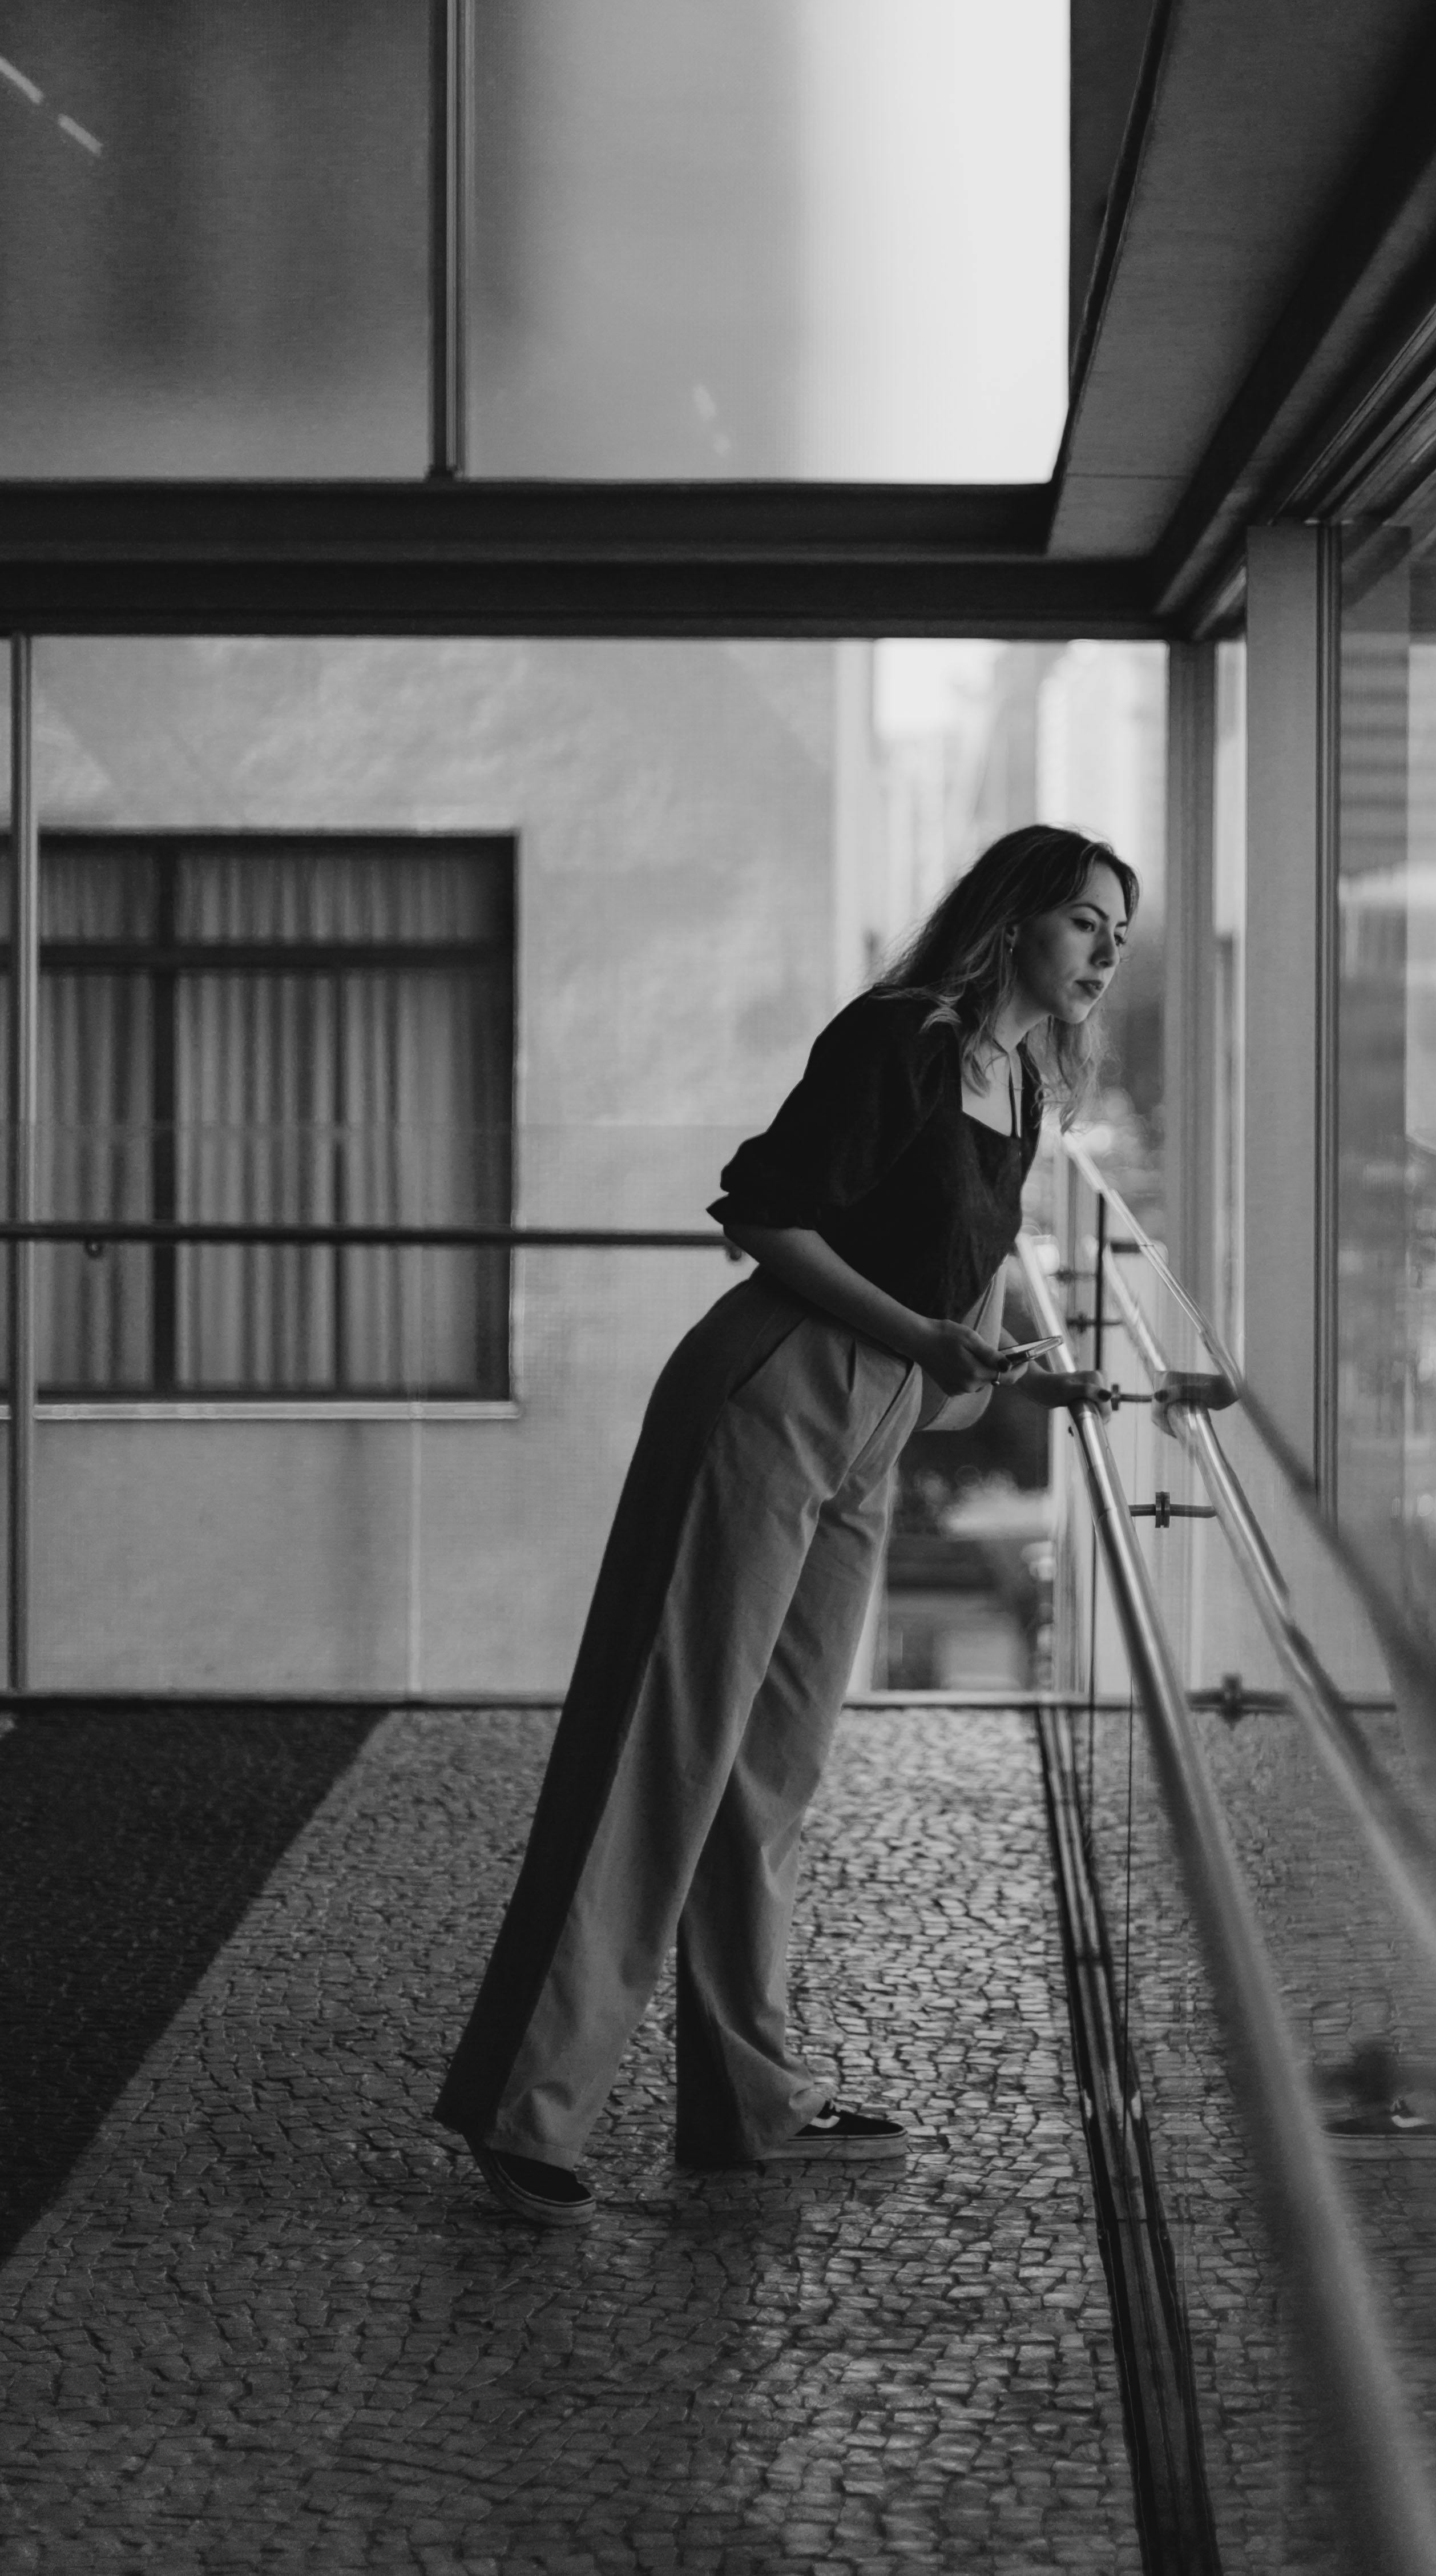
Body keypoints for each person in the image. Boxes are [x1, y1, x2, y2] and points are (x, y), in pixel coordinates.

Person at [434, 823, 1137, 2226]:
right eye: (1081, 923)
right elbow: (763, 1215)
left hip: (877, 1420)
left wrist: (1015, 1367)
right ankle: (529, 2103)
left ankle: (744, 2099)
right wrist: (925, 1335)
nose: (1105, 956)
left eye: (1118, 933)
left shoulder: (1022, 1087)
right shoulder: (901, 1039)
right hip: (772, 1389)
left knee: (772, 1769)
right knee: (667, 1745)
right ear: (1008, 922)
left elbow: (971, 1287)